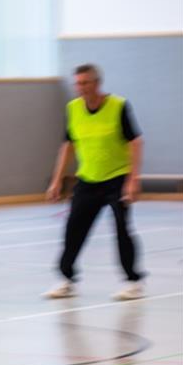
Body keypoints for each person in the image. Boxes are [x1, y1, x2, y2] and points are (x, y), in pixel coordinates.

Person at [44, 64, 145, 301]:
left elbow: (136, 141)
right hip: (88, 179)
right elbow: (68, 145)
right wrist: (57, 180)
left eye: (85, 83)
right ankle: (66, 279)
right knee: (73, 230)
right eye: (77, 83)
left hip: (117, 178)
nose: (81, 88)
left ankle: (133, 282)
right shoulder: (73, 109)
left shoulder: (118, 106)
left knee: (122, 229)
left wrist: (133, 179)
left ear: (97, 84)